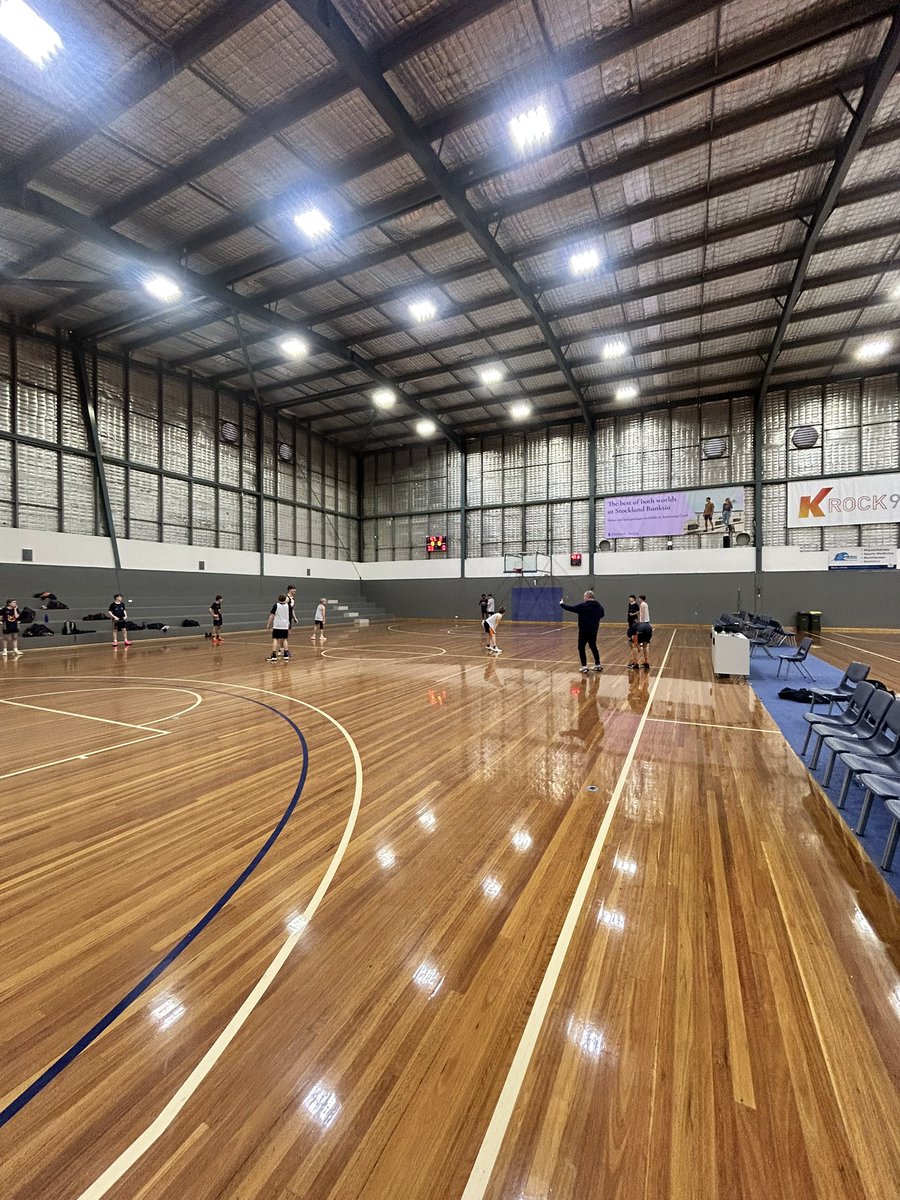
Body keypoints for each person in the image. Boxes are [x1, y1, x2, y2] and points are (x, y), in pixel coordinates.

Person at [560, 590, 604, 673]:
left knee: (581, 647)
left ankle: (584, 667)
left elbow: (571, 608)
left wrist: (562, 604)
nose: (583, 598)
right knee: (593, 646)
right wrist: (594, 618)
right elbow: (602, 615)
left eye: (584, 596)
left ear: (587, 597)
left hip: (584, 630)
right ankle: (598, 665)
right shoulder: (599, 606)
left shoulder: (584, 606)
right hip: (594, 630)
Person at [267, 594, 292, 662]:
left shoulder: (276, 605)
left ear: (278, 599)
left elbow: (272, 615)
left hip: (277, 625)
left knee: (275, 639)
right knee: (284, 639)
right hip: (285, 625)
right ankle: (286, 654)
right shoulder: (288, 606)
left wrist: (268, 624)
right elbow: (288, 601)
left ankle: (274, 655)